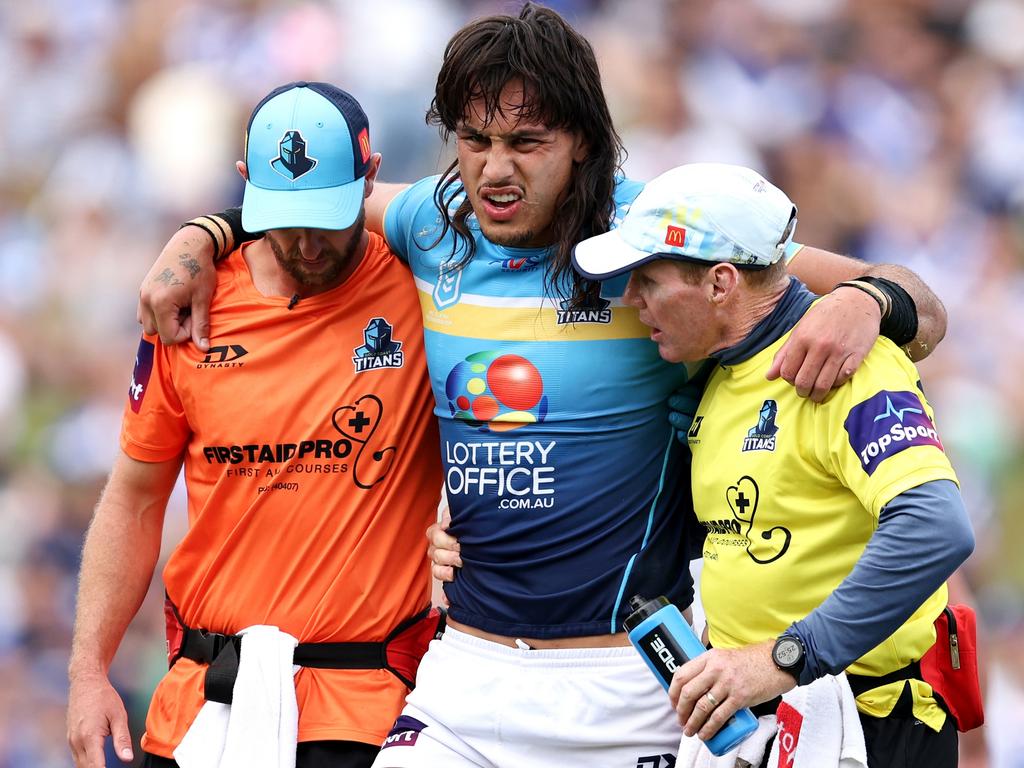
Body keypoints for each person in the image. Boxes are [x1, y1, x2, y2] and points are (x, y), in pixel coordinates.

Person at [136, 5, 950, 765]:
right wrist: (202, 232)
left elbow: (910, 303)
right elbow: (315, 203)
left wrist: (867, 299)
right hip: (467, 668)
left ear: (584, 143)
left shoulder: (655, 240)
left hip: (630, 680)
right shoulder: (433, 219)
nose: (494, 170)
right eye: (474, 139)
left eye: (527, 143)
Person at [66, 82, 442, 768]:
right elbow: (136, 495)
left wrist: (205, 227)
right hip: (203, 706)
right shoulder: (190, 304)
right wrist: (89, 672)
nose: (305, 241)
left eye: (326, 215)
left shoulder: (421, 281)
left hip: (368, 712)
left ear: (372, 178)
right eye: (282, 217)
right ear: (245, 187)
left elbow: (490, 206)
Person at [571, 162, 975, 767]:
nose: (631, 299)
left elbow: (936, 526)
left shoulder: (842, 362)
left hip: (866, 723)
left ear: (720, 283)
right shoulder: (717, 369)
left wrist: (782, 658)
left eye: (648, 279)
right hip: (757, 723)